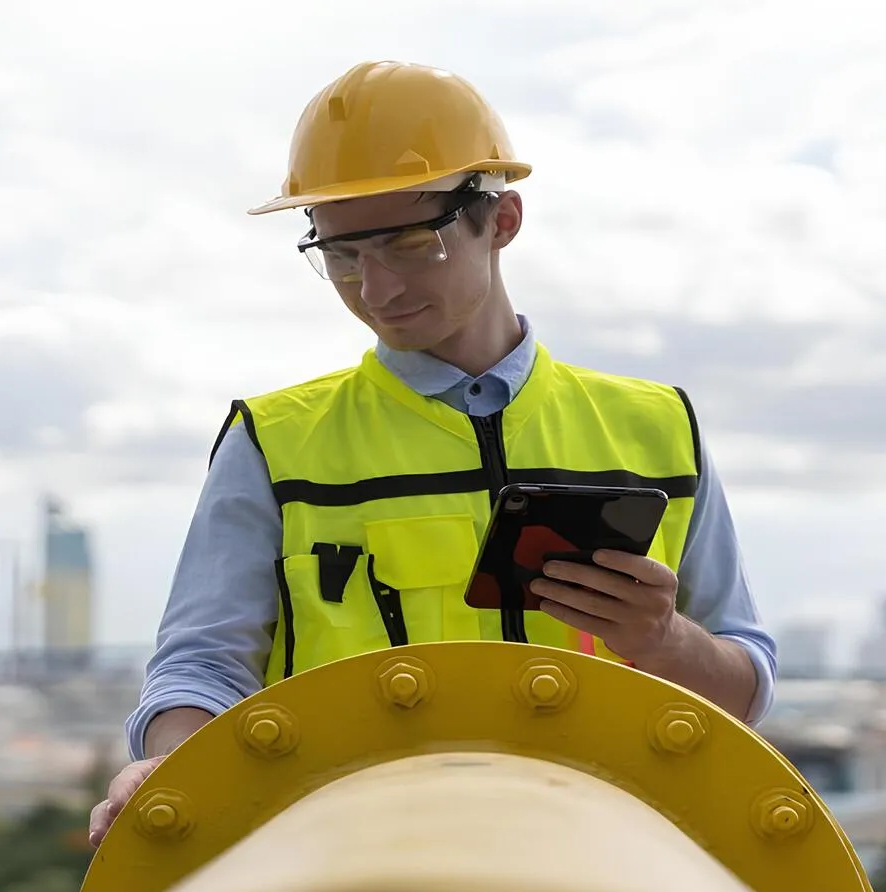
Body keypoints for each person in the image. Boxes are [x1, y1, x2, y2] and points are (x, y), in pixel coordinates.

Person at [89, 60, 777, 848]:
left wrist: (663, 642)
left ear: (504, 220)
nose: (377, 289)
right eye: (342, 255)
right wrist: (171, 762)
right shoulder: (274, 444)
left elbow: (743, 691)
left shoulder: (657, 430)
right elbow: (203, 668)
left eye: (412, 243)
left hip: (607, 877)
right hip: (353, 878)